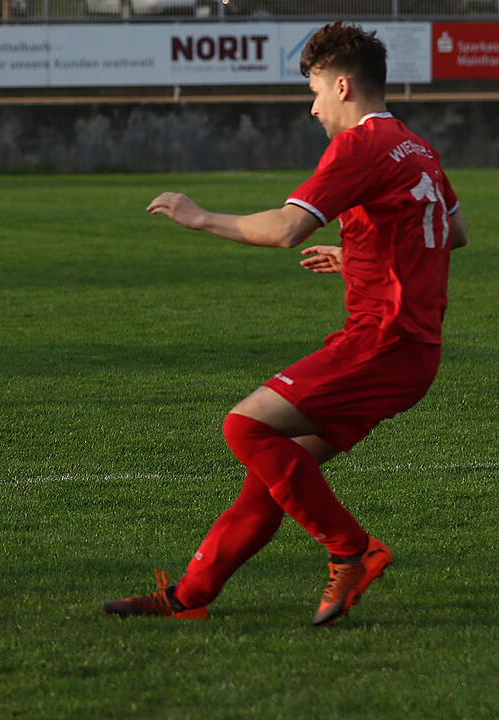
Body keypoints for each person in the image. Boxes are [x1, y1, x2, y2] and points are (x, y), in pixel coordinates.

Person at [103, 21, 468, 626]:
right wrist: (364, 255)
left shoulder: (361, 146)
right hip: (408, 349)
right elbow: (450, 232)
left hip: (383, 342)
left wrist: (199, 217)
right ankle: (190, 595)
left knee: (244, 427)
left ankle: (353, 548)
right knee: (272, 475)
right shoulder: (415, 146)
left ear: (344, 86)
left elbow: (285, 228)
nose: (313, 106)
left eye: (317, 91)